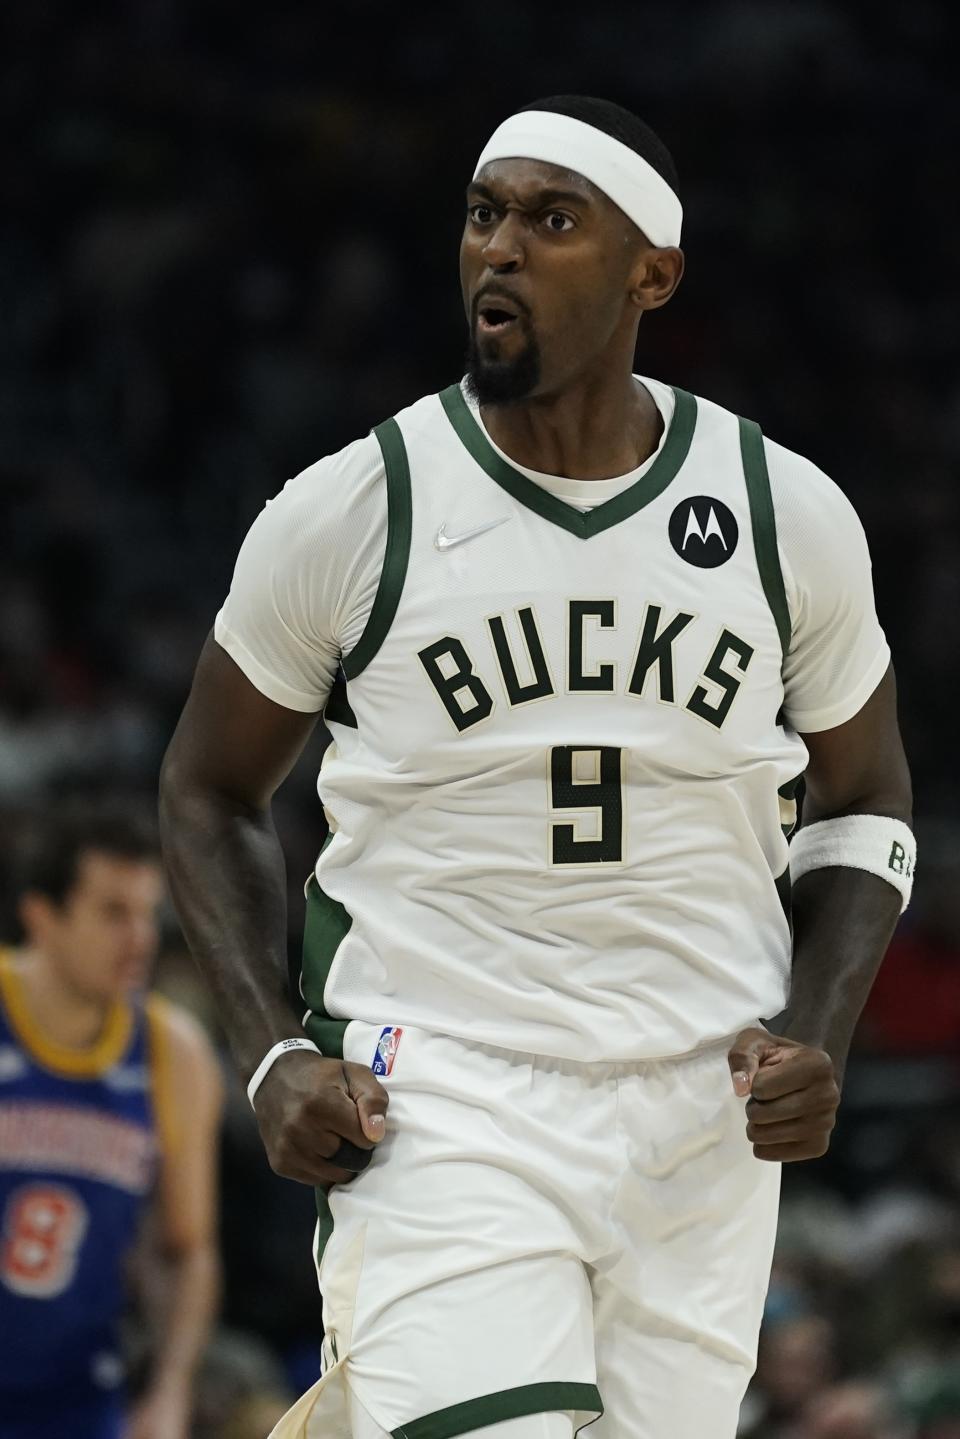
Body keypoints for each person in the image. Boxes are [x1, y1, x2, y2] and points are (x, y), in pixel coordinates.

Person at [159, 94, 914, 1439]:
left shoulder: (781, 512)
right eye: (484, 214)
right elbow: (208, 787)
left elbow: (865, 798)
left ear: (651, 273)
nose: (500, 249)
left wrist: (820, 1026)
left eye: (552, 221)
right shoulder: (354, 508)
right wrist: (271, 1045)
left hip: (702, 1113)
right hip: (444, 1089)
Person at [0, 803, 223, 1439]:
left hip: (82, 1400)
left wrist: (170, 1390)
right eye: (112, 913)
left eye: (147, 913)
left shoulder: (172, 1053)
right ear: (42, 918)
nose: (141, 938)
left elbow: (189, 1252)